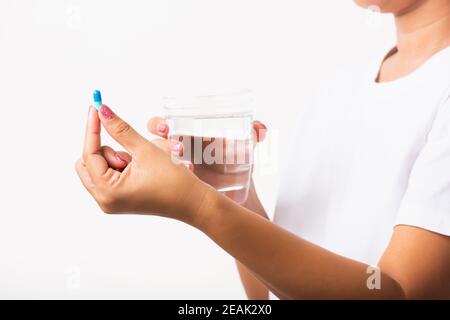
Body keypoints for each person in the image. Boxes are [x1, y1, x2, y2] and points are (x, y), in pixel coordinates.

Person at [75, 0, 450, 299]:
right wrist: (232, 191)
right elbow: (272, 295)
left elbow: (398, 292)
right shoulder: (337, 91)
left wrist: (200, 206)